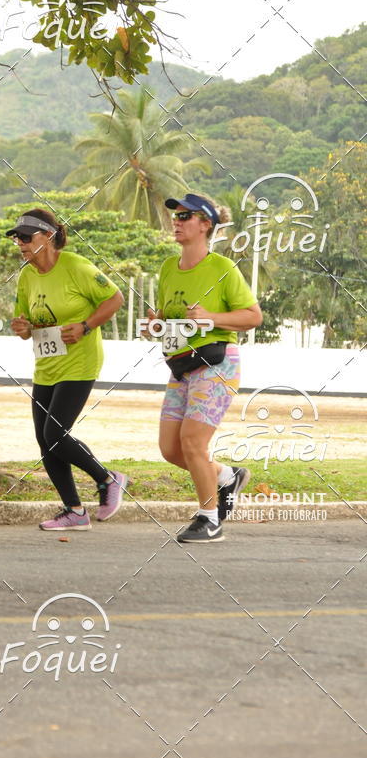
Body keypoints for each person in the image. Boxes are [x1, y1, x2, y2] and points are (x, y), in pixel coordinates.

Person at [151, 192, 262, 543]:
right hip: (181, 365)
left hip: (216, 364)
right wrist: (156, 324)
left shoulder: (222, 268)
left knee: (192, 444)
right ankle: (226, 476)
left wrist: (210, 317)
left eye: (185, 216)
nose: (177, 221)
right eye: (176, 216)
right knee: (170, 449)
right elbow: (170, 318)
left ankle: (209, 519)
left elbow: (253, 316)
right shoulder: (169, 267)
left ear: (205, 225)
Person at [8, 209, 128, 531]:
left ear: (47, 236)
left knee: (55, 433)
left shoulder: (76, 266)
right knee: (44, 441)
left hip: (80, 362)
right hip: (46, 365)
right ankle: (74, 511)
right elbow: (25, 323)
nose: (19, 243)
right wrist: (21, 327)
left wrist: (86, 326)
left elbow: (115, 298)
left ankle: (108, 478)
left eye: (25, 237)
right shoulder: (26, 276)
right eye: (16, 238)